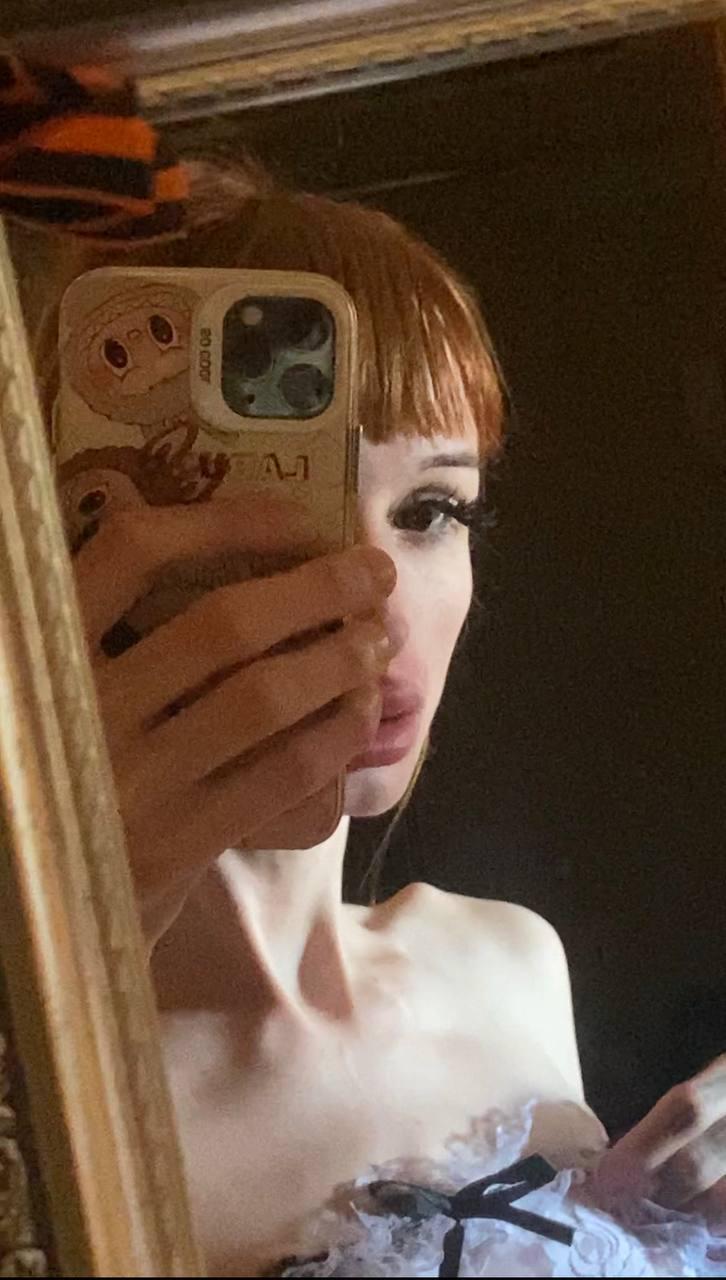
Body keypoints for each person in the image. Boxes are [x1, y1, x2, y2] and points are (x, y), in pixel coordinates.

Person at [4, 57, 725, 1277]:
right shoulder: (51, 1085)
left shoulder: (505, 962)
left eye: (433, 509)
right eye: (280, 518)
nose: (372, 594)